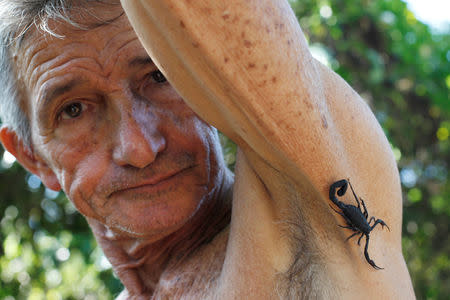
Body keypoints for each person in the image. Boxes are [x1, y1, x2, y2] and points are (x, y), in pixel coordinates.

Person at [0, 0, 415, 299]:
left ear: (210, 78)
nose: (140, 148)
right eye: (73, 110)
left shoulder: (304, 204)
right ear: (33, 157)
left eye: (160, 77)